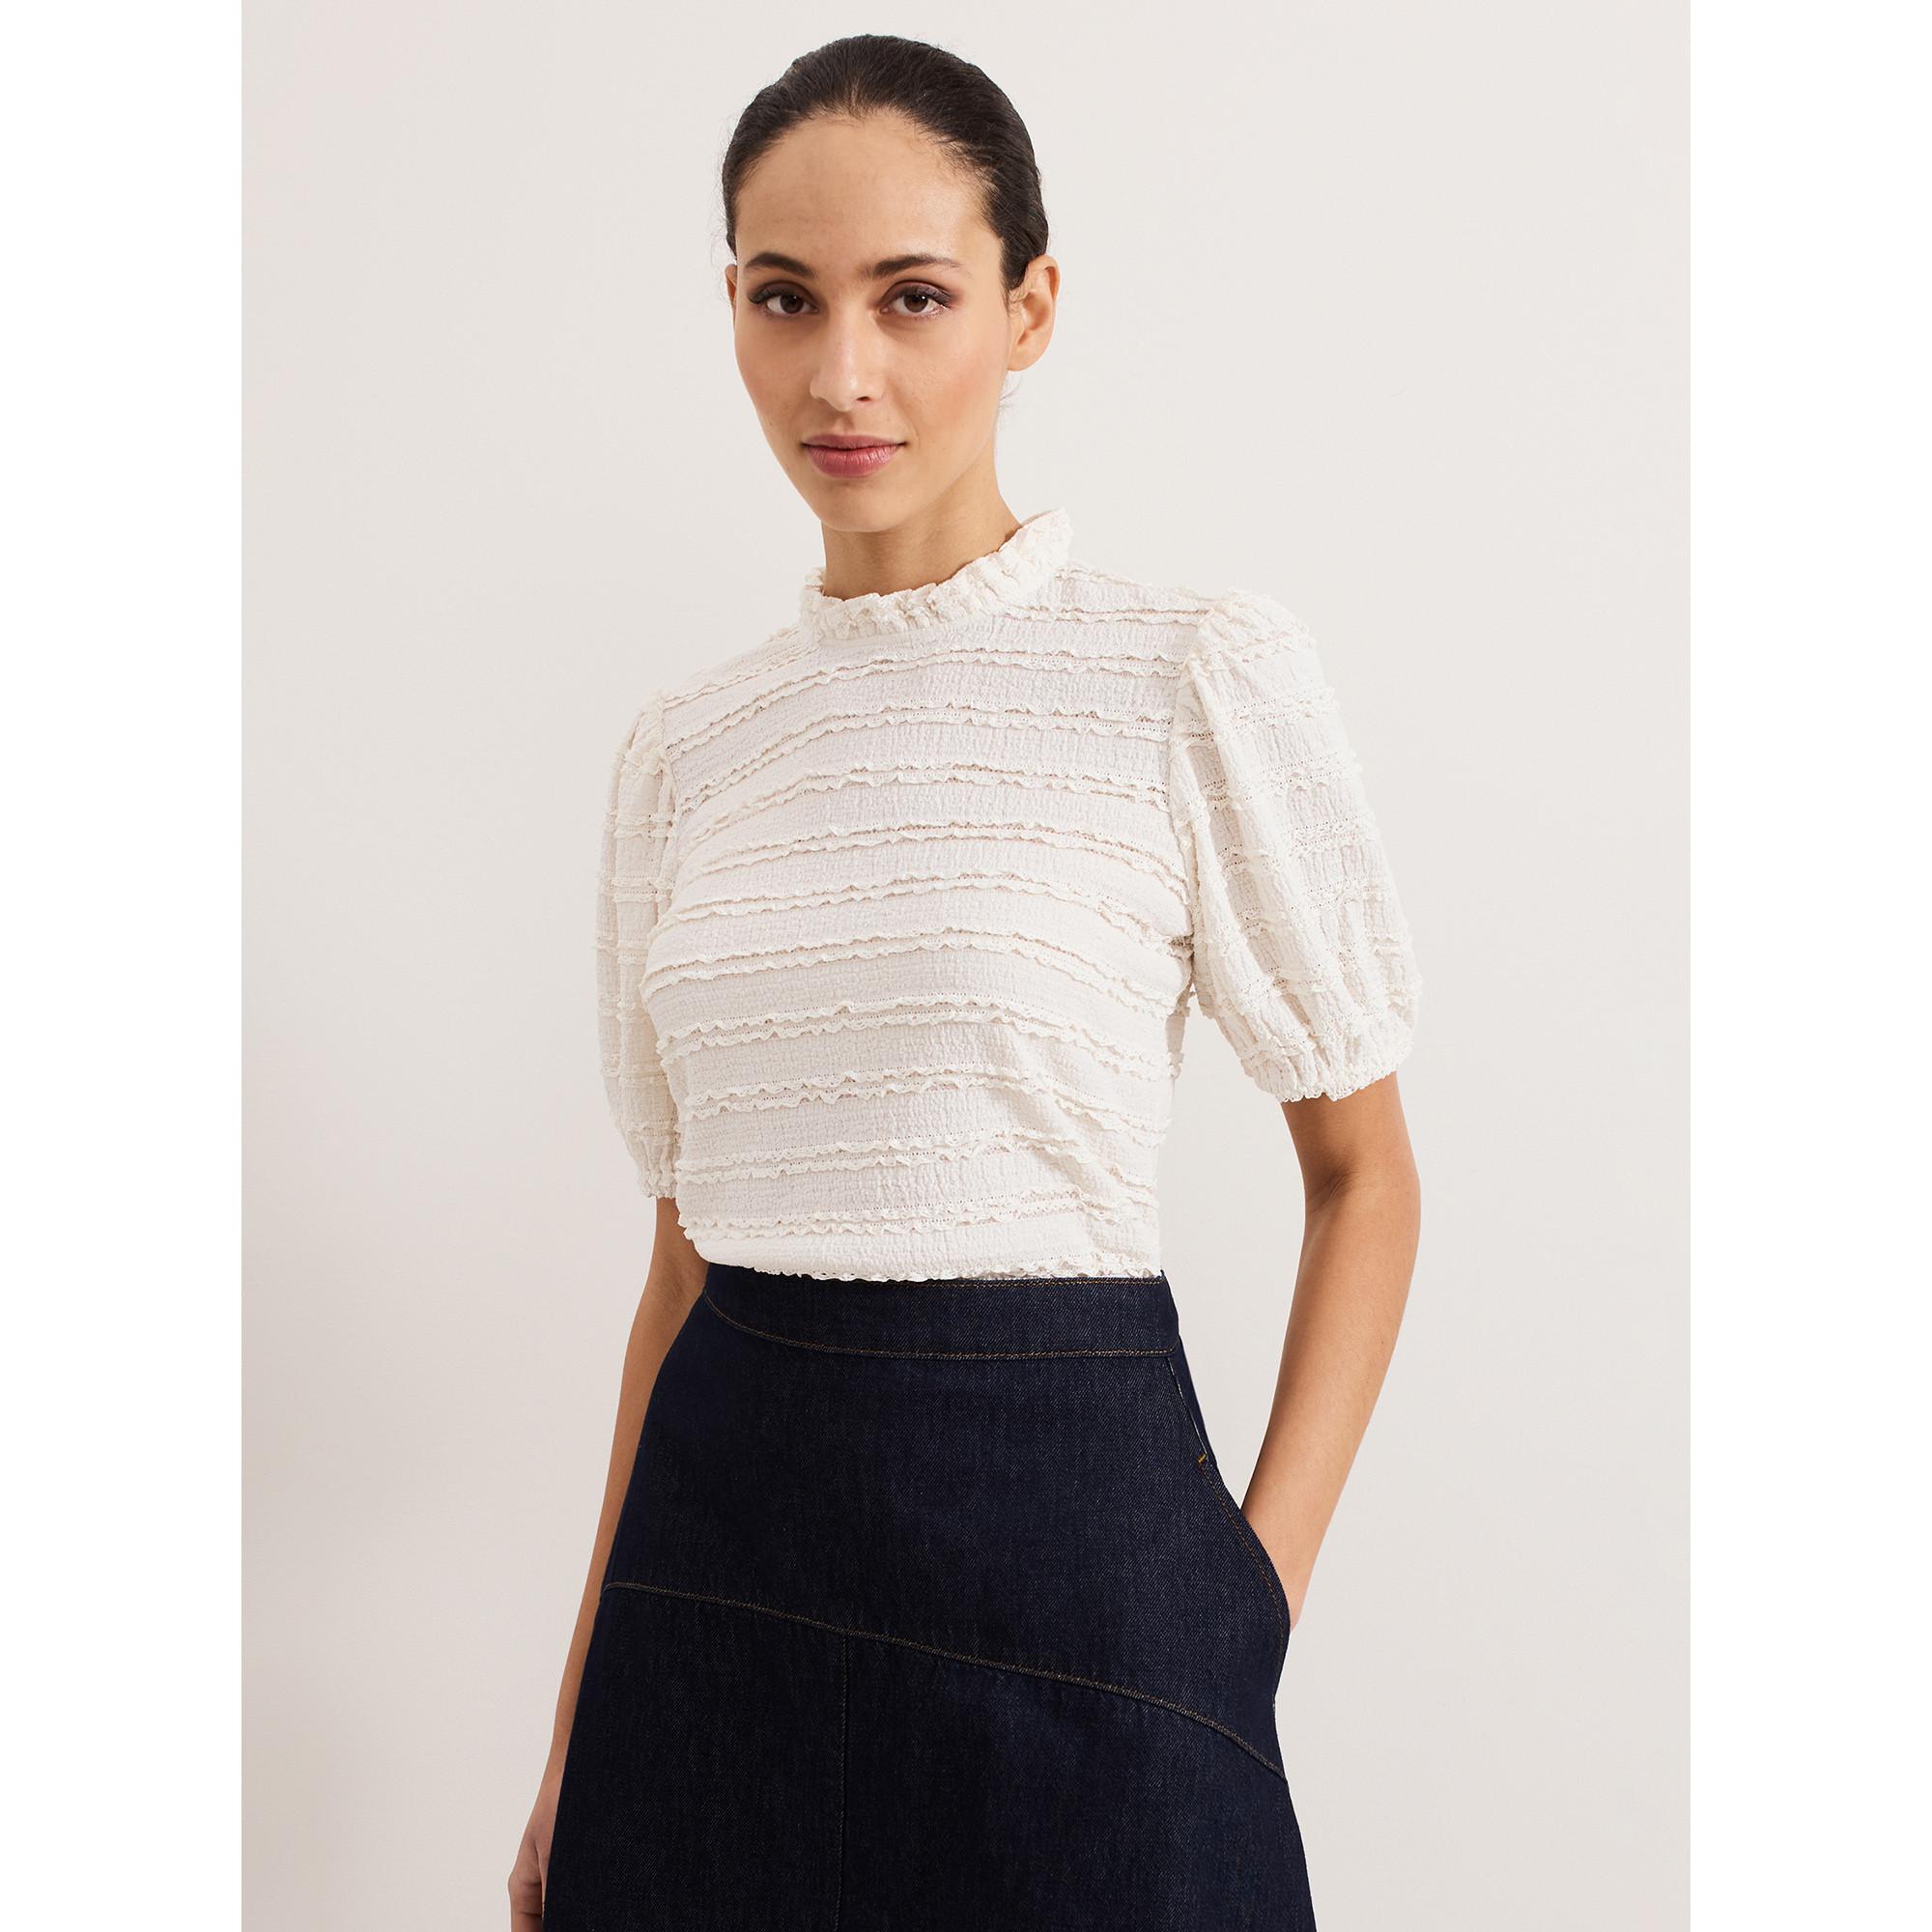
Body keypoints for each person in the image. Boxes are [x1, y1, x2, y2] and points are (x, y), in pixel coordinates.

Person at [512, 32, 1422, 1931]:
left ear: (1029, 309)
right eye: (784, 297)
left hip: (1080, 1578)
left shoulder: (1186, 671)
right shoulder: (686, 753)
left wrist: (1241, 1611)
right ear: (733, 310)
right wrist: (579, 1732)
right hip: (719, 1583)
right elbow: (679, 1265)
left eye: (911, 297)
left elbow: (1365, 1174)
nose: (841, 372)